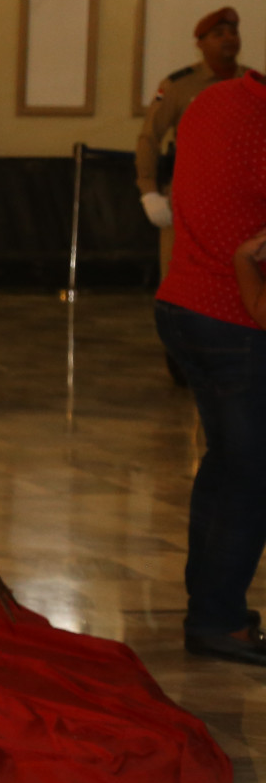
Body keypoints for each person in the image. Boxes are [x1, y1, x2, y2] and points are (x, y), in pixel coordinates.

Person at [155, 66, 266, 665]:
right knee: (249, 475)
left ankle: (212, 607)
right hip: (235, 315)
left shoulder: (212, 99)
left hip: (182, 303)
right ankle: (216, 619)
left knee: (228, 466)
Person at [137, 7, 251, 238]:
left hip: (245, 199)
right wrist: (149, 191)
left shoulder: (254, 83)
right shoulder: (178, 85)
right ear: (200, 44)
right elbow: (149, 137)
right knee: (181, 260)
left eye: (233, 33)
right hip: (190, 196)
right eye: (218, 34)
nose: (228, 38)